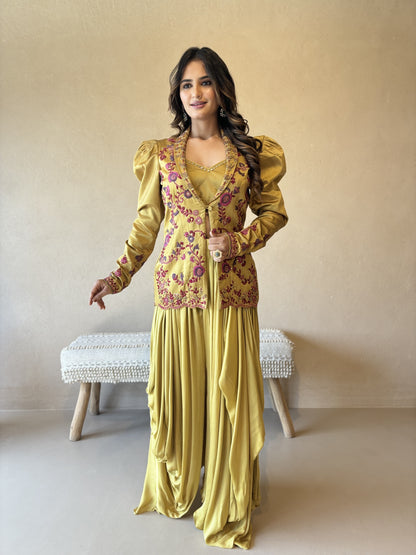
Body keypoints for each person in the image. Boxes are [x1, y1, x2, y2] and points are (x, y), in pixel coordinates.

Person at [89, 46, 287, 549]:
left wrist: (238, 241)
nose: (195, 93)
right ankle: (179, 487)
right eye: (185, 84)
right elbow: (147, 224)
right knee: (179, 400)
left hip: (232, 295)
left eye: (204, 82)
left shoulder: (252, 153)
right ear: (178, 94)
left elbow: (274, 214)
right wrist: (117, 276)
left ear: (221, 89)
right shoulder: (159, 154)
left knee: (228, 401)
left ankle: (227, 497)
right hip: (177, 294)